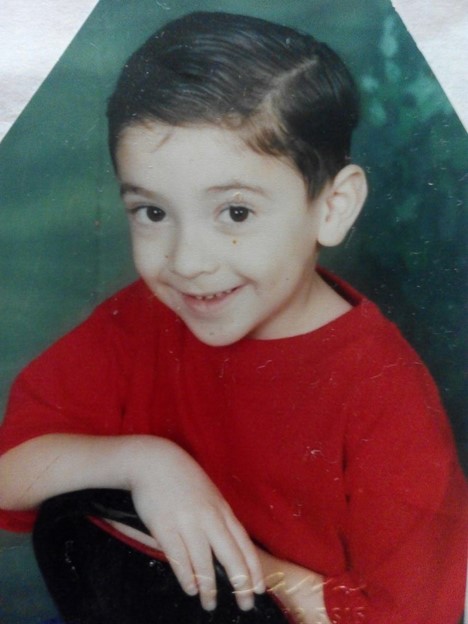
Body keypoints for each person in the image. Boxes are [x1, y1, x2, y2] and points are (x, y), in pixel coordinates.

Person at [0, 11, 466, 624]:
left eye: (236, 213)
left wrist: (253, 568)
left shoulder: (385, 397)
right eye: (152, 213)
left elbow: (413, 615)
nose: (187, 262)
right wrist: (146, 462)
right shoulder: (138, 322)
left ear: (333, 207)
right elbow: (11, 471)